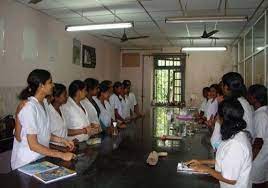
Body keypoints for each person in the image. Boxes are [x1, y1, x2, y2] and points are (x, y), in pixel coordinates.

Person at [11, 69, 75, 170]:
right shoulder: (29, 107)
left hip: (40, 159)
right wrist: (61, 155)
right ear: (41, 86)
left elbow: (43, 133)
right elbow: (33, 145)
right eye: (50, 82)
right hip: (26, 163)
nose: (53, 85)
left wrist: (62, 140)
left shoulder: (44, 103)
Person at [187, 99, 252, 188]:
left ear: (223, 118)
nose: (216, 118)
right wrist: (201, 162)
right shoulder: (234, 134)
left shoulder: (236, 145)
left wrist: (207, 169)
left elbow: (230, 179)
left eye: (218, 115)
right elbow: (223, 161)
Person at [222, 72, 254, 139]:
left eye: (222, 85)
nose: (222, 88)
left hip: (239, 143)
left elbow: (247, 132)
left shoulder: (239, 103)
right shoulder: (237, 101)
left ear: (227, 87)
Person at [248, 84, 268, 187]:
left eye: (249, 95)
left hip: (258, 160)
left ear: (255, 98)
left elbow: (259, 142)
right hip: (259, 158)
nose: (247, 97)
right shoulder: (260, 112)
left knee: (257, 183)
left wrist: (249, 160)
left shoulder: (261, 115)